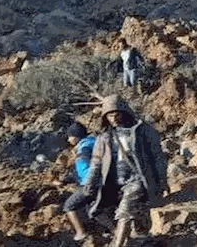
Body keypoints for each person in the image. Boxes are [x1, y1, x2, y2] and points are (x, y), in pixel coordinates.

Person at [68, 95, 168, 247]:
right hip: (114, 183)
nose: (113, 118)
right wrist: (90, 184)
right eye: (109, 115)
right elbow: (96, 163)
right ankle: (140, 237)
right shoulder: (104, 138)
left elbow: (158, 157)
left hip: (137, 179)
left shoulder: (142, 131)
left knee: (125, 212)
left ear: (124, 112)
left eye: (116, 114)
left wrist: (162, 180)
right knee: (101, 211)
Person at [61, 121, 97, 241]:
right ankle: (115, 230)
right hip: (104, 182)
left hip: (91, 184)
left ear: (75, 136)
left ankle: (81, 233)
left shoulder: (84, 148)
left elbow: (85, 170)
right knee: (94, 210)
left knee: (69, 206)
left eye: (70, 137)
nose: (68, 140)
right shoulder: (95, 143)